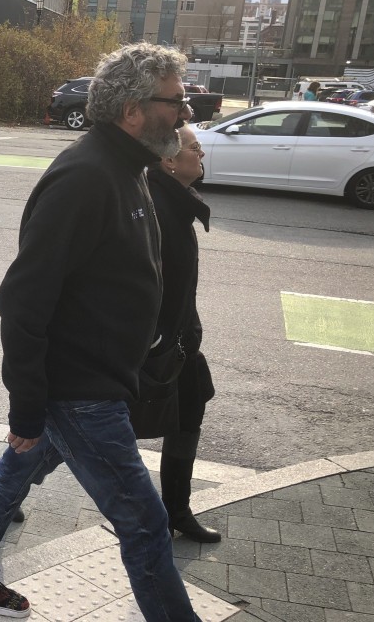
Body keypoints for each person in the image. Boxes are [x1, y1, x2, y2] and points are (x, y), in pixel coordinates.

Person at [0, 43, 201, 621]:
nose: (184, 114)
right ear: (132, 110)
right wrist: (27, 408)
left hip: (97, 380)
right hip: (80, 393)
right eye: (176, 101)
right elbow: (22, 300)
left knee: (13, 475)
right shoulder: (85, 176)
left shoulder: (129, 166)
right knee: (145, 522)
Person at [146, 125, 220, 543]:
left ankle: (177, 511)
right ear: (169, 160)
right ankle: (6, 483)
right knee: (74, 432)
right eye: (195, 147)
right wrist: (154, 340)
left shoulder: (177, 201)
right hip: (151, 349)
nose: (201, 154)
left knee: (190, 414)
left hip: (180, 342)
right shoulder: (155, 206)